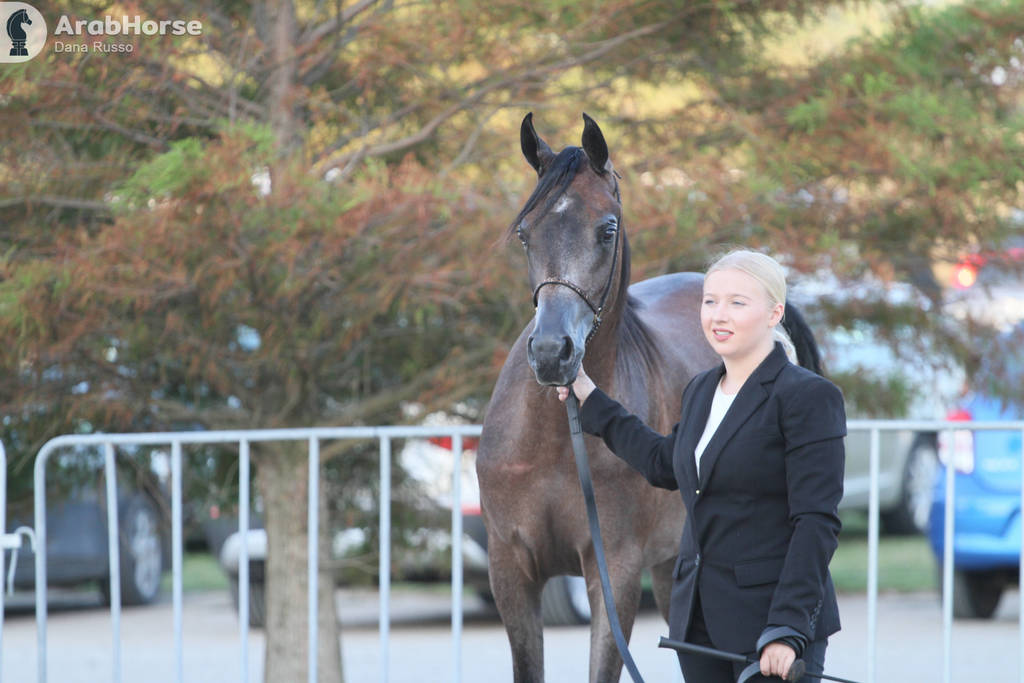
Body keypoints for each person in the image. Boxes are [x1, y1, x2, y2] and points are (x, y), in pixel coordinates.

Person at [556, 249, 846, 682]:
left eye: (737, 302)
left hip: (771, 630)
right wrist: (591, 399)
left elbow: (816, 522)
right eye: (710, 301)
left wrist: (788, 629)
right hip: (698, 625)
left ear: (774, 313)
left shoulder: (808, 397)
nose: (718, 315)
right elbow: (664, 464)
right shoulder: (702, 391)